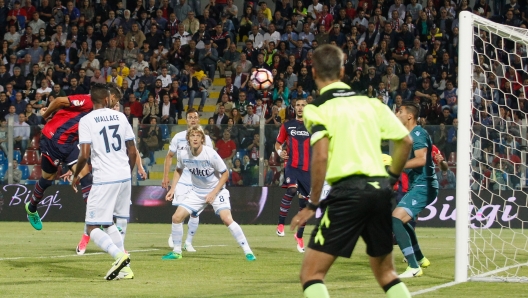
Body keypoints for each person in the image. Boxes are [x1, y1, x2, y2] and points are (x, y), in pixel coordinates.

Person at [291, 44, 413, 298]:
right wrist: (390, 177)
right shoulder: (371, 103)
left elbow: (321, 155)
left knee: (311, 275)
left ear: (313, 72)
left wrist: (312, 204)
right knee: (386, 273)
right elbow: (405, 142)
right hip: (380, 191)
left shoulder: (317, 109)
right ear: (343, 71)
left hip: (348, 193)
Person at [72, 83, 137, 280]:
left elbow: (84, 154)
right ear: (107, 99)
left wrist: (76, 175)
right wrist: (127, 172)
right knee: (108, 222)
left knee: (92, 226)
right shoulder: (121, 116)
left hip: (104, 179)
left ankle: (119, 257)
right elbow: (132, 150)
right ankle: (125, 269)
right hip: (124, 176)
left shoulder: (86, 120)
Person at [162, 126, 256, 261]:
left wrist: (213, 192)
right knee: (176, 218)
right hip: (197, 192)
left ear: (202, 139)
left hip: (217, 191)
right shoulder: (183, 154)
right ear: (188, 139)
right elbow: (178, 170)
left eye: (198, 136)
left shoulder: (210, 154)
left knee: (227, 219)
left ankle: (248, 252)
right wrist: (172, 188)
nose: (195, 138)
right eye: (192, 135)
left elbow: (225, 174)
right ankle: (177, 252)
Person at [24, 92, 94, 231]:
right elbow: (59, 101)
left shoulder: (102, 113)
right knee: (47, 179)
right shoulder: (88, 100)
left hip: (70, 143)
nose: (115, 105)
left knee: (86, 176)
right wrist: (45, 115)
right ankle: (31, 207)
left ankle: (95, 219)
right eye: (114, 101)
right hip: (53, 139)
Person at [392, 101, 439, 278]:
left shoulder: (417, 134)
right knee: (401, 220)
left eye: (400, 111)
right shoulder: (411, 134)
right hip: (419, 184)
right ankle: (419, 258)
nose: (397, 114)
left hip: (423, 185)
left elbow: (421, 160)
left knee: (395, 219)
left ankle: (413, 267)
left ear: (409, 116)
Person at [161, 109, 213, 252]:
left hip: (199, 181)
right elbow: (169, 156)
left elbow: (211, 160)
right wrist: (166, 177)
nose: (193, 120)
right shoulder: (178, 137)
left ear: (199, 120)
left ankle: (188, 242)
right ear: (186, 120)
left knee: (194, 213)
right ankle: (175, 234)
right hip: (182, 181)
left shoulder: (206, 139)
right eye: (190, 117)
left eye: (195, 117)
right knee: (181, 211)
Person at [274, 98, 311, 253]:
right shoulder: (287, 125)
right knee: (291, 190)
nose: (300, 107)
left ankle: (299, 236)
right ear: (294, 108)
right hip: (292, 165)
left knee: (304, 206)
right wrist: (280, 152)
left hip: (308, 169)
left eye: (303, 105)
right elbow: (278, 144)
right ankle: (281, 224)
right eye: (298, 105)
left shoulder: (314, 126)